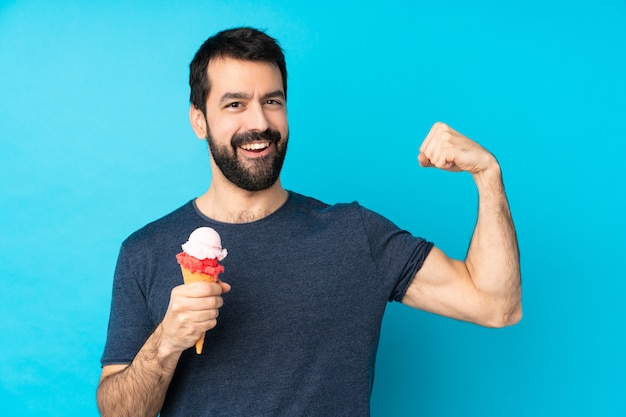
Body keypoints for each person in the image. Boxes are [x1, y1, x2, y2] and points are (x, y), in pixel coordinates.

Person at [97, 27, 521, 417]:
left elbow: (496, 305)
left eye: (272, 101)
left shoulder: (354, 235)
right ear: (199, 120)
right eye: (235, 104)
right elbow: (118, 412)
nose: (259, 122)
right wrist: (166, 342)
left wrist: (488, 175)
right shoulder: (144, 252)